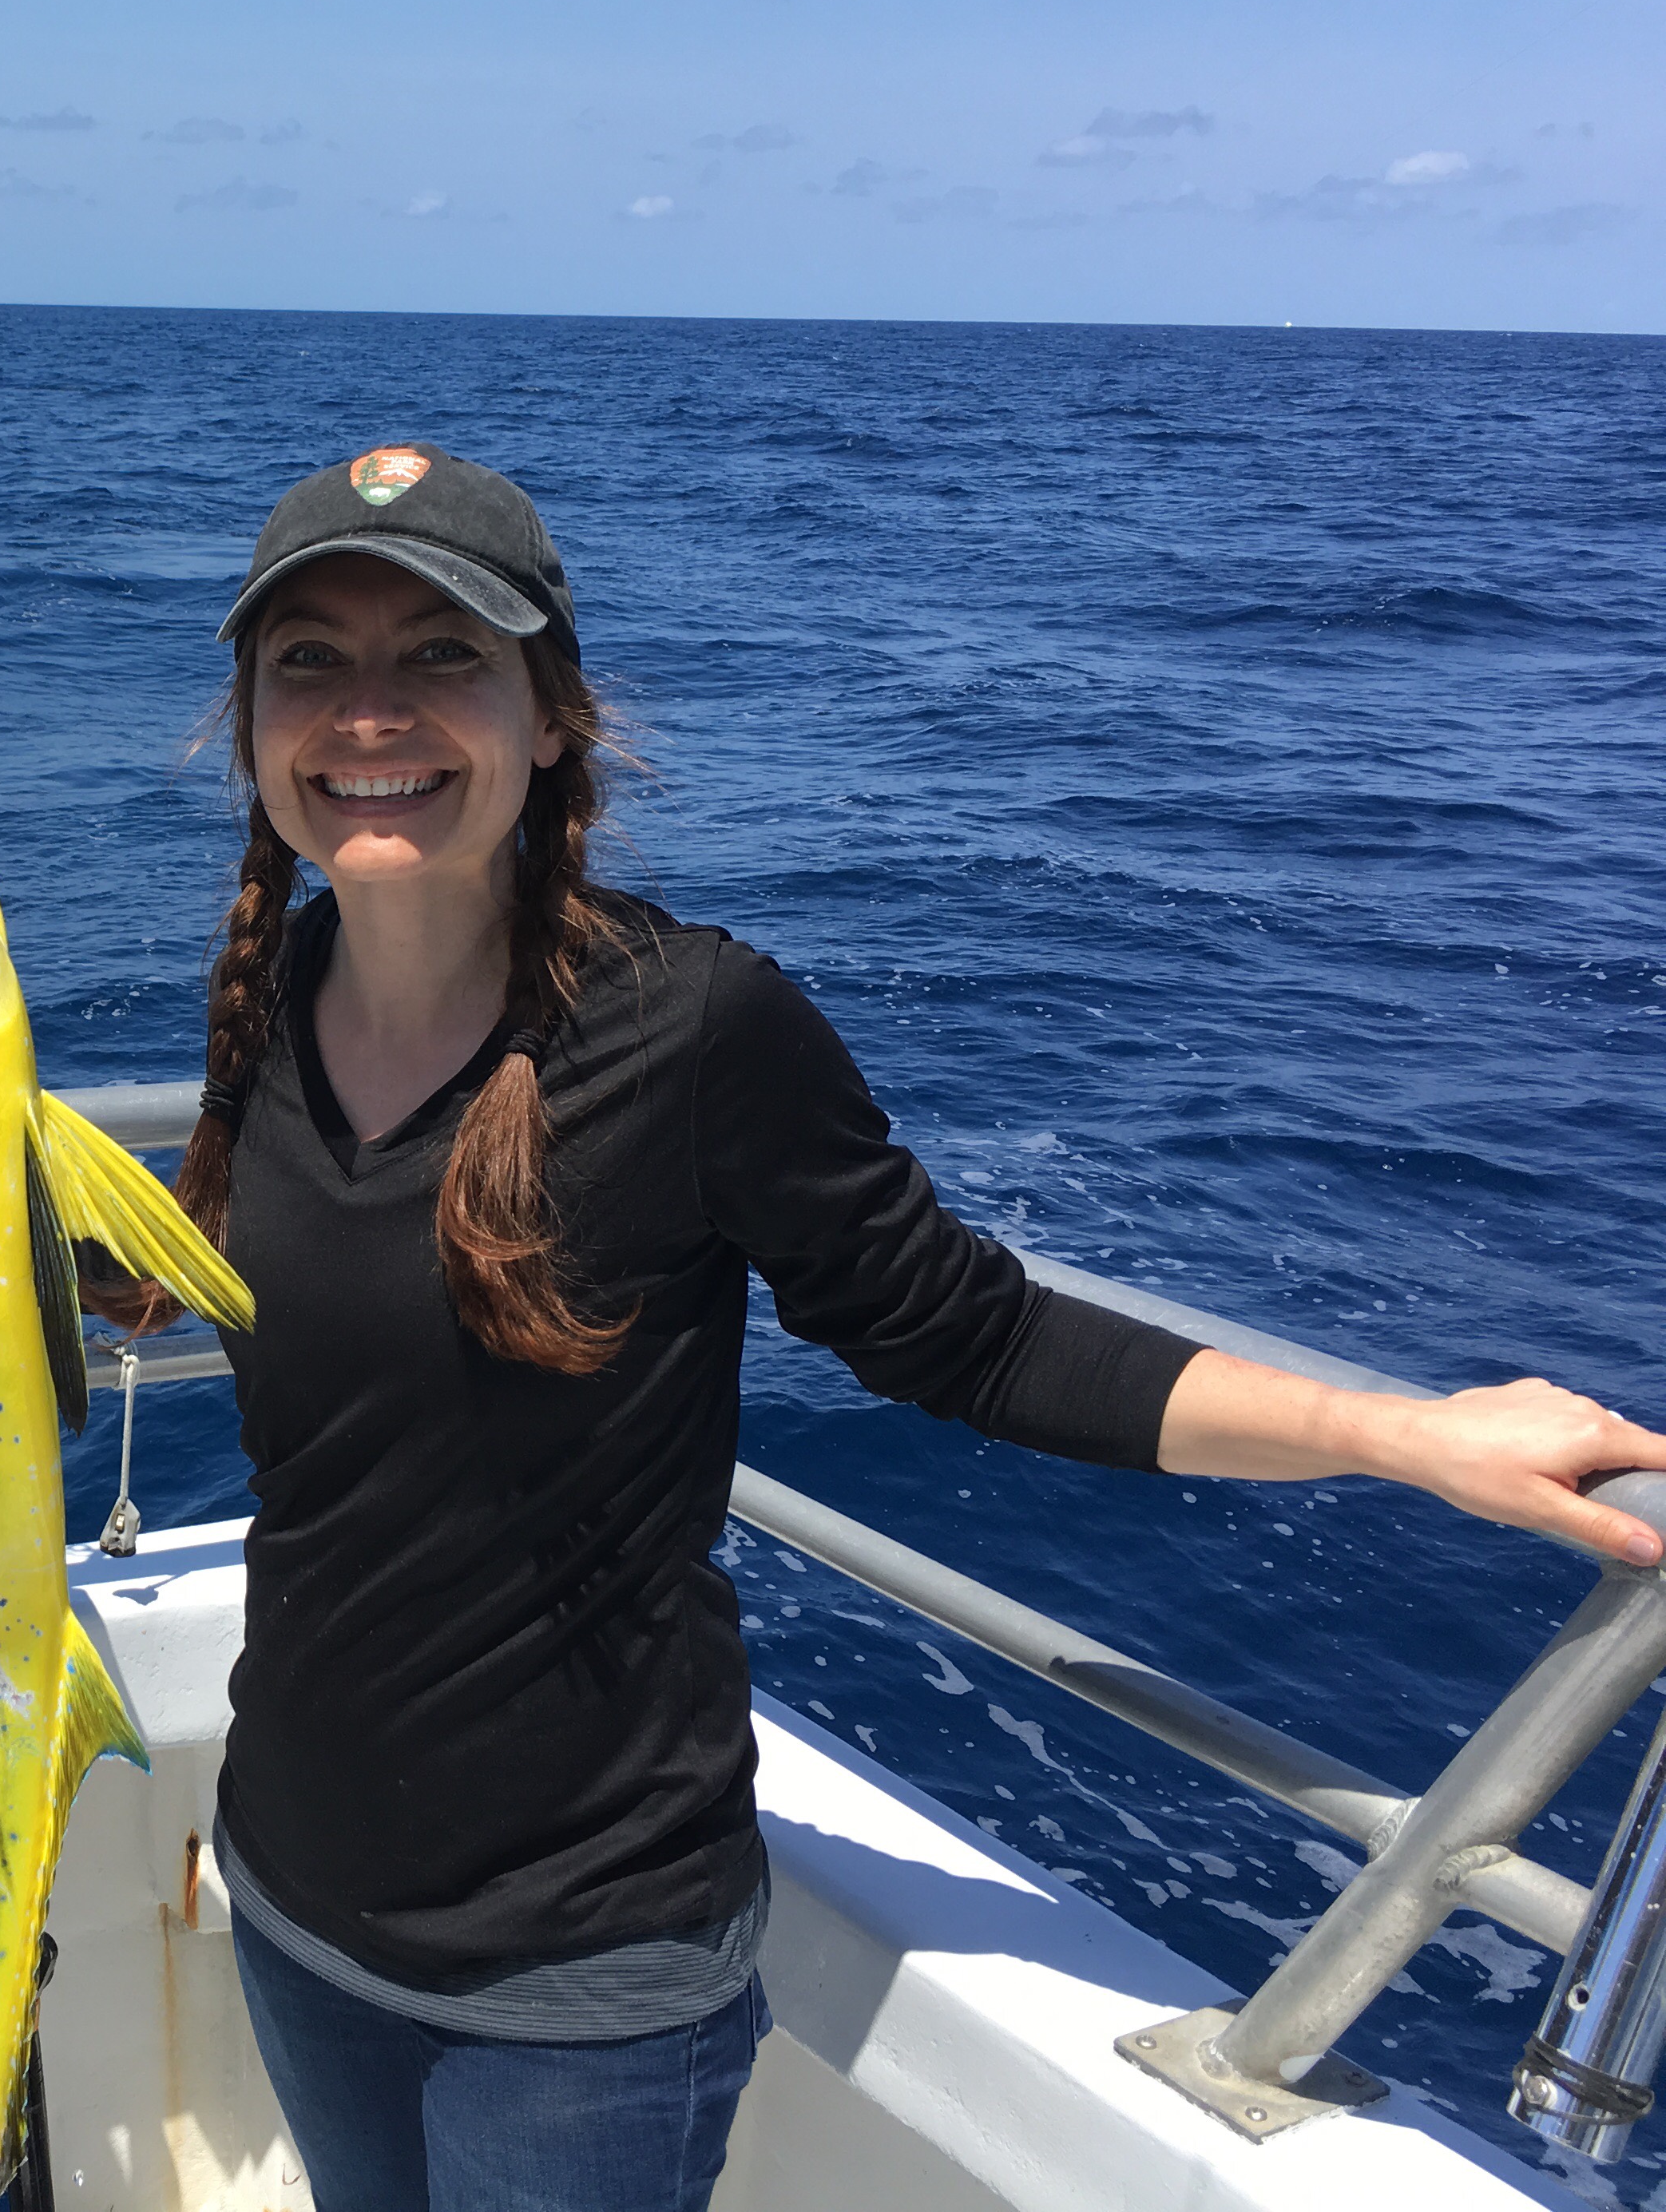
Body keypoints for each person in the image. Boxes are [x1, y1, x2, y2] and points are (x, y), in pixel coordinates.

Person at [107, 442, 1666, 2212]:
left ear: (552, 720)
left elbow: (974, 1338)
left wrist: (1403, 1434)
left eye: (441, 654)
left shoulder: (696, 1029)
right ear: (246, 724)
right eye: (309, 659)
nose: (368, 712)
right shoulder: (271, 1005)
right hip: (293, 1894)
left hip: (579, 1978)